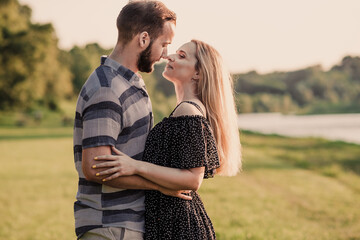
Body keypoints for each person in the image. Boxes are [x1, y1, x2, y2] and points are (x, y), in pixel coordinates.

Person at [93, 39, 242, 239]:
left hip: (178, 225)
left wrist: (136, 166)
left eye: (181, 56)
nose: (169, 56)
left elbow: (192, 178)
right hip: (170, 220)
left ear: (198, 73)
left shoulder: (189, 110)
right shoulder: (187, 109)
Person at [72, 1, 187, 240]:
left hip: (126, 224)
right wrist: (159, 185)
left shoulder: (130, 82)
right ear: (144, 39)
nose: (166, 53)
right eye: (164, 44)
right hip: (109, 226)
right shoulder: (107, 88)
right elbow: (95, 168)